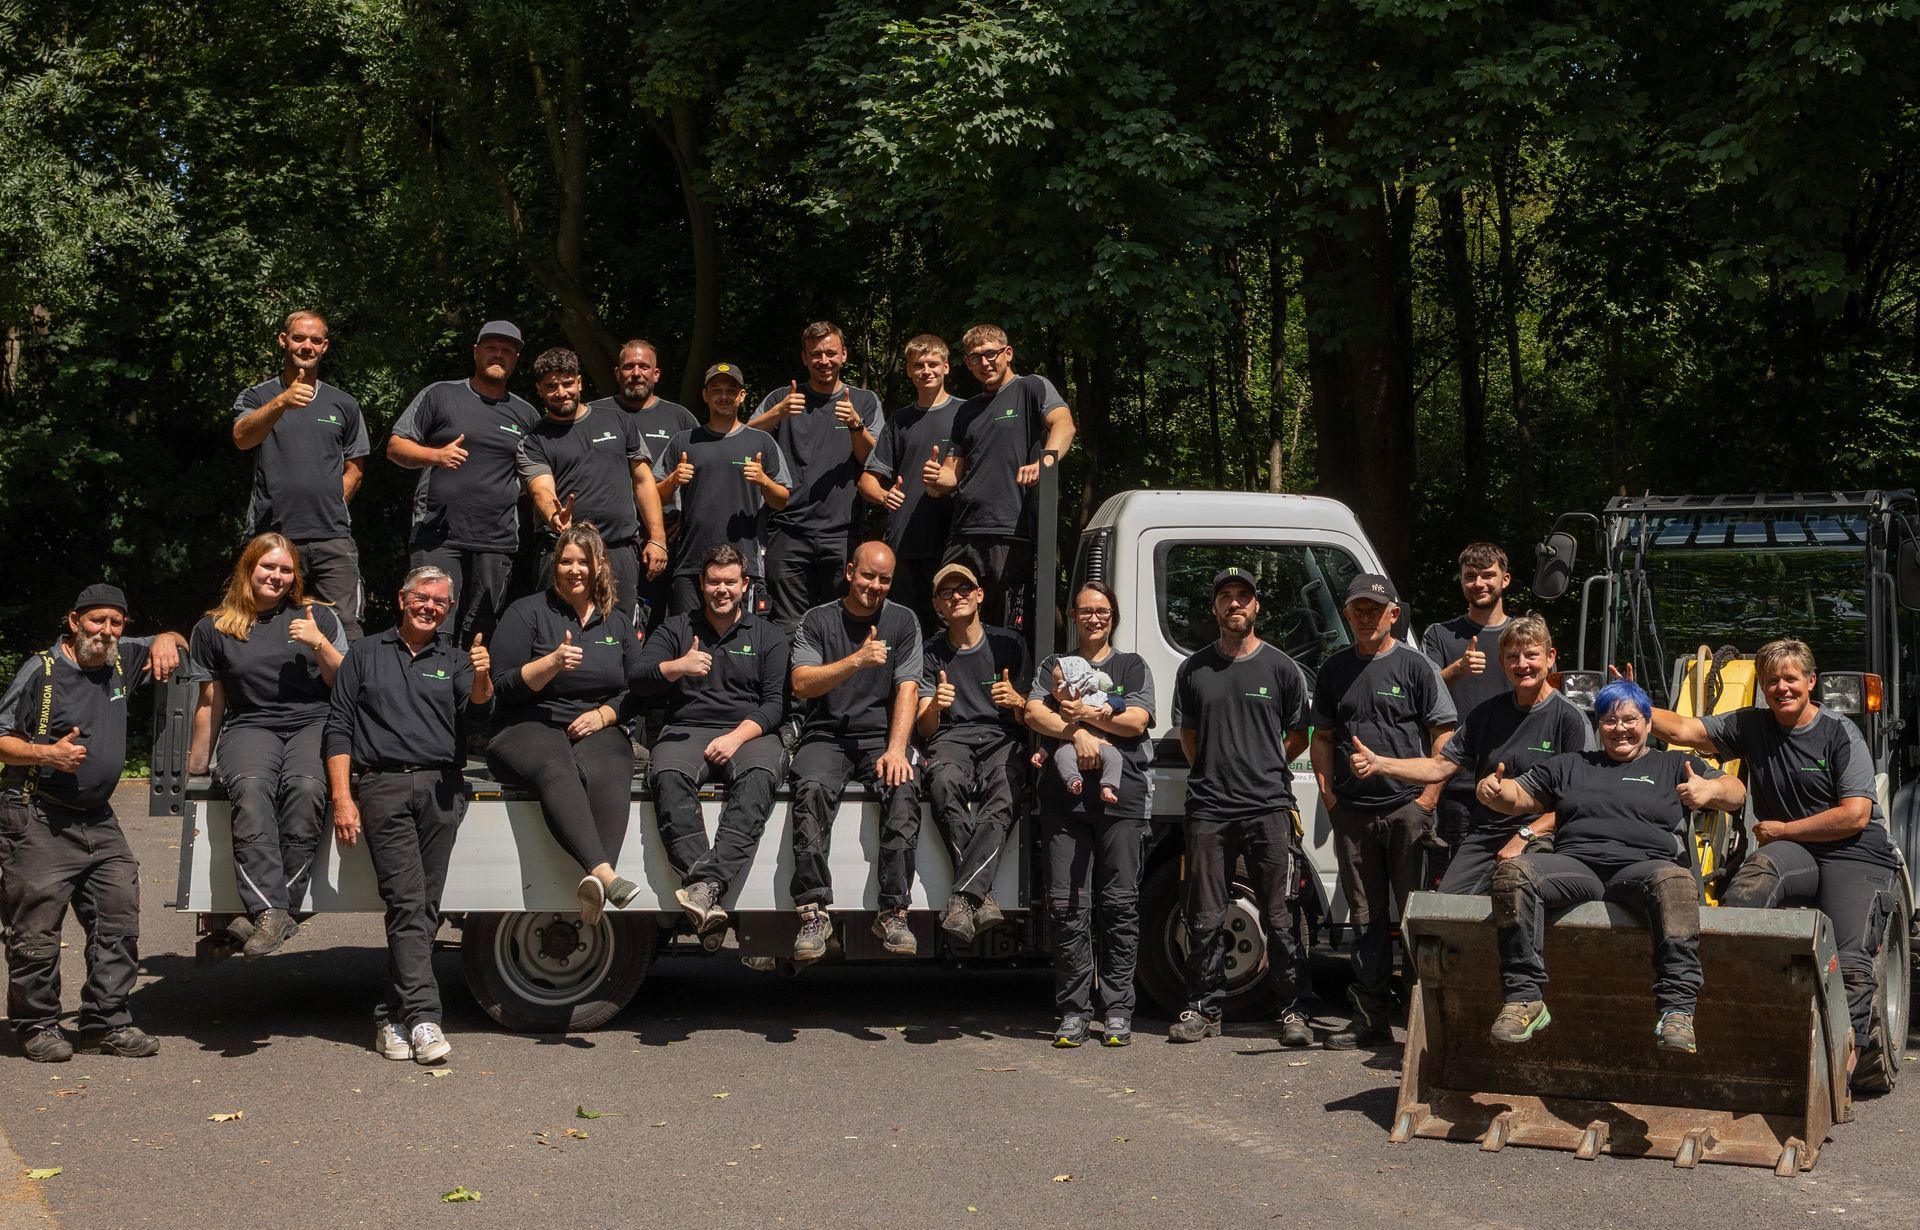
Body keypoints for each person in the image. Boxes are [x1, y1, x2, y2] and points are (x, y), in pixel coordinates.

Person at [1647, 639, 1903, 1072]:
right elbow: (1686, 731)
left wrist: (1783, 829)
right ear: (1762, 688)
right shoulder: (1753, 725)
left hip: (1855, 852)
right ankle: (1749, 1017)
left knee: (1852, 957)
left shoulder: (1840, 733)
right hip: (1792, 850)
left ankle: (1846, 1063)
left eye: (1790, 678)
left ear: (1810, 681)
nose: (1782, 687)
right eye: (1772, 681)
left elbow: (1855, 815)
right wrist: (1632, 702)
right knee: (1747, 893)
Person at [1477, 678, 1745, 1055]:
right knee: (1514, 874)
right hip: (1576, 866)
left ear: (1649, 724)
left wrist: (1711, 790)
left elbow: (1736, 792)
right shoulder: (1571, 765)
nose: (1620, 728)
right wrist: (1493, 791)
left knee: (1675, 880)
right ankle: (1524, 1000)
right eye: (1609, 720)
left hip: (1644, 869)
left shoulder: (1675, 764)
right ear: (1598, 725)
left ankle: (1678, 1010)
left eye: (1630, 719)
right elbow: (1518, 796)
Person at [0, 585, 186, 1062]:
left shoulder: (123, 659)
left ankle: (105, 1022)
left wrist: (166, 637)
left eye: (115, 623)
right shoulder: (40, 672)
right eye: (96, 621)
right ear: (74, 621)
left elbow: (174, 641)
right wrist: (47, 753)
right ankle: (37, 1025)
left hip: (99, 818)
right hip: (38, 814)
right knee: (36, 933)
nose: (105, 632)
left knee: (118, 916)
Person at [324, 565, 493, 1066]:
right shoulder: (365, 653)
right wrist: (342, 797)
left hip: (442, 787)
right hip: (382, 785)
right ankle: (424, 1017)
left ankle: (388, 1017)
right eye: (423, 598)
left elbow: (478, 716)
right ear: (402, 598)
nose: (430, 608)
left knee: (425, 906)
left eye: (441, 603)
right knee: (406, 901)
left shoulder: (457, 659)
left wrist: (482, 676)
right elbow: (339, 728)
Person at [1167, 567, 1317, 1047]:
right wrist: (1215, 769)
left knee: (1280, 915)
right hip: (1209, 808)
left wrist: (1267, 764)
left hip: (1269, 805)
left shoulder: (1281, 668)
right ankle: (1202, 1012)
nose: (1235, 604)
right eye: (1226, 597)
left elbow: (1300, 734)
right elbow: (1189, 736)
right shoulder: (1193, 670)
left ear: (1256, 607)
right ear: (1215, 608)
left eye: (1243, 597)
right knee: (1205, 915)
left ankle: (1293, 1013)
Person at [1308, 573, 1457, 1050]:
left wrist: (1428, 798)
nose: (1366, 616)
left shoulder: (1417, 668)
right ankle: (1369, 1016)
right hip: (1353, 813)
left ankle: (1420, 1020)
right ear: (1348, 614)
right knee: (1365, 917)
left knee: (1415, 914)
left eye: (1376, 608)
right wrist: (1331, 799)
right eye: (1358, 609)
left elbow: (1444, 739)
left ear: (1394, 613)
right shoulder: (1334, 670)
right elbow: (1322, 739)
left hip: (1407, 810)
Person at [186, 534, 348, 956]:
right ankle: (274, 911)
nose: (276, 576)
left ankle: (269, 914)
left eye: (285, 569)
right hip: (250, 723)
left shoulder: (317, 617)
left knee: (307, 787)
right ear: (248, 568)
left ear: (295, 575)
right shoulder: (214, 627)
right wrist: (197, 763)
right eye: (268, 567)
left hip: (313, 720)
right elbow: (211, 699)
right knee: (253, 787)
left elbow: (344, 684)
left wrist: (319, 643)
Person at [1348, 614, 1593, 894]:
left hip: (1544, 836)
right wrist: (1379, 764)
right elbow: (1439, 767)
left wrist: (1525, 835)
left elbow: (1579, 803)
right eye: (1513, 657)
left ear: (1550, 658)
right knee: (1448, 909)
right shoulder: (1486, 714)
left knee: (1516, 892)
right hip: (1486, 834)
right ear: (1501, 663)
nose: (1522, 664)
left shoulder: (1570, 719)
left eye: (1531, 655)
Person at [484, 527, 646, 926]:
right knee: (556, 767)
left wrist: (606, 715)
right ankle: (604, 873)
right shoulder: (526, 612)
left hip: (594, 722)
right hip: (528, 721)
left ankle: (594, 881)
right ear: (554, 565)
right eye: (566, 561)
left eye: (583, 561)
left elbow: (637, 687)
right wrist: (551, 663)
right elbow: (500, 686)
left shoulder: (617, 621)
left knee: (613, 767)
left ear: (598, 566)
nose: (574, 569)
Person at [632, 545, 790, 934]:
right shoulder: (676, 629)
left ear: (745, 585)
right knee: (666, 773)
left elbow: (775, 705)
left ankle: (706, 885)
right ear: (701, 585)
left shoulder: (767, 635)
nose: (722, 590)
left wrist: (737, 737)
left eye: (730, 582)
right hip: (689, 727)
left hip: (751, 731)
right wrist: (676, 667)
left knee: (759, 777)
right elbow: (637, 677)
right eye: (714, 582)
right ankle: (704, 885)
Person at [1025, 582, 1155, 1047]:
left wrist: (1081, 724)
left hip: (1123, 800)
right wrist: (1078, 736)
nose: (1094, 618)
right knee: (1066, 907)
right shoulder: (1052, 666)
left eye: (1102, 611)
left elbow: (1136, 721)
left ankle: (1118, 1009)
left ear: (1113, 616)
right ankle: (1074, 1011)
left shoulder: (1132, 666)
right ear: (1073, 617)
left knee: (1119, 906)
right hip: (1064, 802)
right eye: (1085, 611)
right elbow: (1033, 714)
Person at [787, 541, 924, 961]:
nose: (875, 585)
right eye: (868, 576)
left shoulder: (903, 621)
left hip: (880, 737)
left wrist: (898, 749)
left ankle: (894, 911)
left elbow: (908, 687)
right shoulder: (817, 620)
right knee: (810, 790)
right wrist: (856, 660)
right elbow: (802, 683)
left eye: (884, 579)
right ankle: (813, 913)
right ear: (849, 572)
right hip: (826, 734)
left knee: (904, 789)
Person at [386, 320, 541, 644]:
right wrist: (435, 456)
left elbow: (537, 472)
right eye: (491, 349)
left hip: (496, 538)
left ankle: (469, 693)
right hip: (436, 535)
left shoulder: (526, 414)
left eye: (506, 351)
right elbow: (395, 447)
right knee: (430, 623)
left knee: (481, 631)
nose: (498, 355)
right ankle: (423, 691)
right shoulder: (441, 394)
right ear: (476, 352)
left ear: (515, 359)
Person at [229, 310, 371, 639]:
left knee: (344, 630)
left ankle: (342, 692)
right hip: (272, 535)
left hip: (332, 537)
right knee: (262, 626)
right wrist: (282, 402)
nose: (306, 346)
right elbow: (242, 438)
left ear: (325, 347)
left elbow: (356, 468)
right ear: (284, 340)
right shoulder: (258, 396)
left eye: (315, 340)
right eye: (299, 338)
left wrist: (333, 504)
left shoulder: (344, 404)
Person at [925, 324, 1075, 632]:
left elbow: (1064, 424)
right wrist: (936, 479)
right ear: (967, 364)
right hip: (964, 531)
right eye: (975, 358)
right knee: (950, 618)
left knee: (1007, 625)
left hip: (1010, 531)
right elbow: (953, 476)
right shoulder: (966, 411)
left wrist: (1045, 462)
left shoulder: (1031, 387)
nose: (984, 363)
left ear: (1007, 353)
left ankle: (1005, 681)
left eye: (990, 354)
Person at [916, 562, 1029, 947]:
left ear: (980, 594)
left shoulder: (1010, 644)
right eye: (947, 593)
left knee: (1006, 786)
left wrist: (1017, 701)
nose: (957, 596)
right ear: (938, 605)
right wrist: (935, 705)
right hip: (951, 737)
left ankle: (964, 896)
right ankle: (980, 895)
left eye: (964, 588)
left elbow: (1032, 709)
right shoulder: (930, 651)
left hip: (1002, 735)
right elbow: (926, 728)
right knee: (943, 780)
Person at [515, 346, 668, 621]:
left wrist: (657, 539)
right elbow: (540, 487)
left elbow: (644, 481)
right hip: (562, 554)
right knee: (557, 631)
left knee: (622, 633)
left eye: (567, 383)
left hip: (619, 550)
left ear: (580, 382)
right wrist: (554, 516)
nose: (561, 393)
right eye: (551, 386)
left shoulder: (618, 421)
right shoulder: (534, 439)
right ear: (539, 390)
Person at [748, 322, 883, 628]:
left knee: (843, 623)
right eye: (816, 354)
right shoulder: (782, 399)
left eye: (831, 353)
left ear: (844, 355)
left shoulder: (864, 401)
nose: (824, 360)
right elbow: (738, 437)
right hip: (788, 532)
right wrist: (777, 415)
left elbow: (874, 461)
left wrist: (856, 426)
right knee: (787, 626)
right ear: (804, 358)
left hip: (843, 534)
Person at [655, 363, 792, 615]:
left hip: (744, 566)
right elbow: (653, 497)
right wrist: (673, 480)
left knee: (742, 646)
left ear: (741, 396)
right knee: (689, 641)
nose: (724, 396)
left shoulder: (761, 442)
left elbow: (782, 500)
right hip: (692, 564)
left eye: (731, 390)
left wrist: (764, 481)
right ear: (705, 395)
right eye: (716, 390)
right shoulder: (684, 441)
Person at [1420, 543, 1515, 881]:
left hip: (1513, 778)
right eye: (1470, 576)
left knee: (1510, 876)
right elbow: (1422, 694)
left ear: (1505, 580)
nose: (1479, 583)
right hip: (1457, 779)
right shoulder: (1439, 635)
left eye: (1487, 575)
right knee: (1455, 879)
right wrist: (1457, 668)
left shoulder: (1522, 636)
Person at [595, 338, 698, 631]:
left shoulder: (680, 418)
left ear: (656, 374)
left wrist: (686, 521)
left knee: (661, 621)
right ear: (617, 372)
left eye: (644, 366)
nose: (636, 373)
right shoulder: (595, 414)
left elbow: (698, 475)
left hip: (666, 538)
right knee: (608, 617)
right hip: (607, 540)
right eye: (628, 367)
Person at [859, 334, 960, 622]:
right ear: (908, 371)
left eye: (933, 364)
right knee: (906, 624)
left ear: (946, 367)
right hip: (904, 543)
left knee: (949, 626)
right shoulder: (898, 420)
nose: (926, 371)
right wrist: (884, 496)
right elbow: (867, 480)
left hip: (951, 540)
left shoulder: (966, 412)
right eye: (918, 365)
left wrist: (947, 478)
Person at [1031, 657, 1122, 803]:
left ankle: (1107, 786)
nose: (1053, 690)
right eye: (1053, 684)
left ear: (1076, 683)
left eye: (1058, 684)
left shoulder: (1098, 696)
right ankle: (1073, 780)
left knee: (1115, 756)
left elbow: (1119, 701)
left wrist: (1111, 705)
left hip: (1102, 744)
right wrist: (1042, 751)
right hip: (1069, 745)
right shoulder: (1057, 707)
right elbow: (1052, 733)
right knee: (1061, 755)